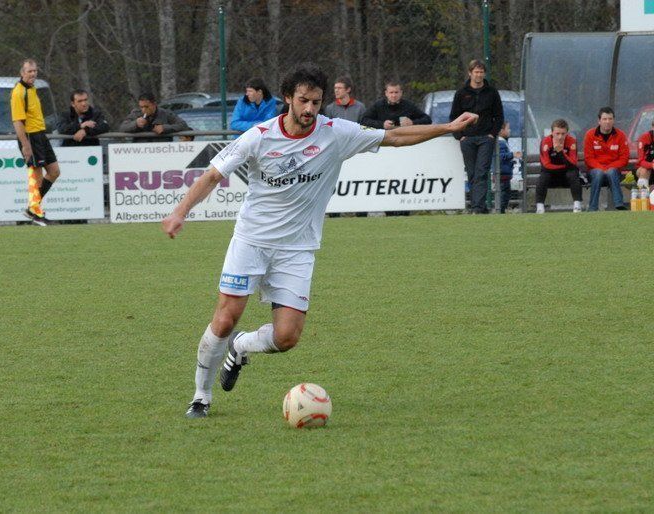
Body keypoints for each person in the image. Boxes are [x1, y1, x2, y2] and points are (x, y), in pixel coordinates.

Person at [161, 65, 478, 419]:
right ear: (288, 98)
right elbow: (212, 175)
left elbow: (395, 138)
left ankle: (242, 346)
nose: (310, 108)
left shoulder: (336, 133)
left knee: (287, 337)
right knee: (224, 320)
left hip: (297, 249)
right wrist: (180, 212)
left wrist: (447, 128)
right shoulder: (259, 136)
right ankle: (201, 397)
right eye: (303, 101)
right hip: (251, 241)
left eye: (315, 101)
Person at [449, 59, 504, 214]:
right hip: (467, 138)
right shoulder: (461, 93)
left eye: (481, 72)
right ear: (470, 73)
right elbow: (454, 116)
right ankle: (479, 206)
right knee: (472, 173)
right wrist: (460, 136)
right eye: (476, 72)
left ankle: (477, 208)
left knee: (481, 171)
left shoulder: (492, 92)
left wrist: (492, 134)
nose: (478, 75)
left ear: (484, 74)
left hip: (486, 138)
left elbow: (499, 116)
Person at [11, 58, 61, 226]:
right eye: (29, 71)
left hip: (40, 135)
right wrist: (25, 145)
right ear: (22, 73)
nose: (33, 74)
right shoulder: (19, 92)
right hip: (30, 137)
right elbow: (17, 122)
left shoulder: (32, 89)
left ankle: (32, 209)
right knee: (36, 177)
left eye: (35, 71)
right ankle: (37, 214)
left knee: (54, 171)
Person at [583, 107, 629, 211]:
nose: (607, 122)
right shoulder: (590, 135)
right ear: (599, 121)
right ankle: (593, 207)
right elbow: (588, 159)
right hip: (594, 172)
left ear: (613, 120)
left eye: (610, 119)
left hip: (614, 173)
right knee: (598, 173)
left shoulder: (620, 135)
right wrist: (602, 169)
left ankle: (619, 205)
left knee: (611, 172)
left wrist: (609, 168)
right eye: (604, 119)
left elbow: (624, 159)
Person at [536, 119, 582, 214]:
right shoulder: (546, 142)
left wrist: (560, 152)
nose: (560, 137)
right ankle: (540, 207)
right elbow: (546, 165)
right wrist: (565, 166)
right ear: (552, 133)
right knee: (543, 176)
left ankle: (577, 206)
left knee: (573, 174)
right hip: (551, 177)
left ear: (567, 133)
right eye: (557, 134)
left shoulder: (571, 141)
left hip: (566, 178)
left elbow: (573, 163)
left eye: (563, 134)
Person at [118, 91, 189, 142]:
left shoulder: (165, 113)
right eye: (141, 107)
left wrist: (165, 128)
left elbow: (183, 125)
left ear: (154, 104)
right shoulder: (136, 114)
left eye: (146, 107)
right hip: (141, 150)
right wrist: (135, 124)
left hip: (161, 150)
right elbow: (122, 128)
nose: (143, 110)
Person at [361, 80, 430, 129]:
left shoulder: (408, 105)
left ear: (401, 93)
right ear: (386, 93)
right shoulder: (379, 105)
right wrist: (382, 124)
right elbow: (364, 120)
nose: (394, 95)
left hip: (405, 136)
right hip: (385, 136)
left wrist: (412, 122)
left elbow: (427, 119)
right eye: (391, 92)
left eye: (396, 92)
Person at [495, 121, 522, 213]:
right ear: (501, 130)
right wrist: (512, 154)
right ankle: (500, 211)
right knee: (503, 194)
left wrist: (512, 162)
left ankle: (502, 209)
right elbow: (500, 156)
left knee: (506, 193)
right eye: (508, 128)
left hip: (505, 173)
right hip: (502, 173)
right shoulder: (500, 143)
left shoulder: (503, 142)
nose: (510, 130)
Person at [634, 118, 654, 191]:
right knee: (644, 170)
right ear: (653, 127)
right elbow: (640, 161)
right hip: (645, 169)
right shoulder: (644, 138)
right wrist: (652, 165)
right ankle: (643, 195)